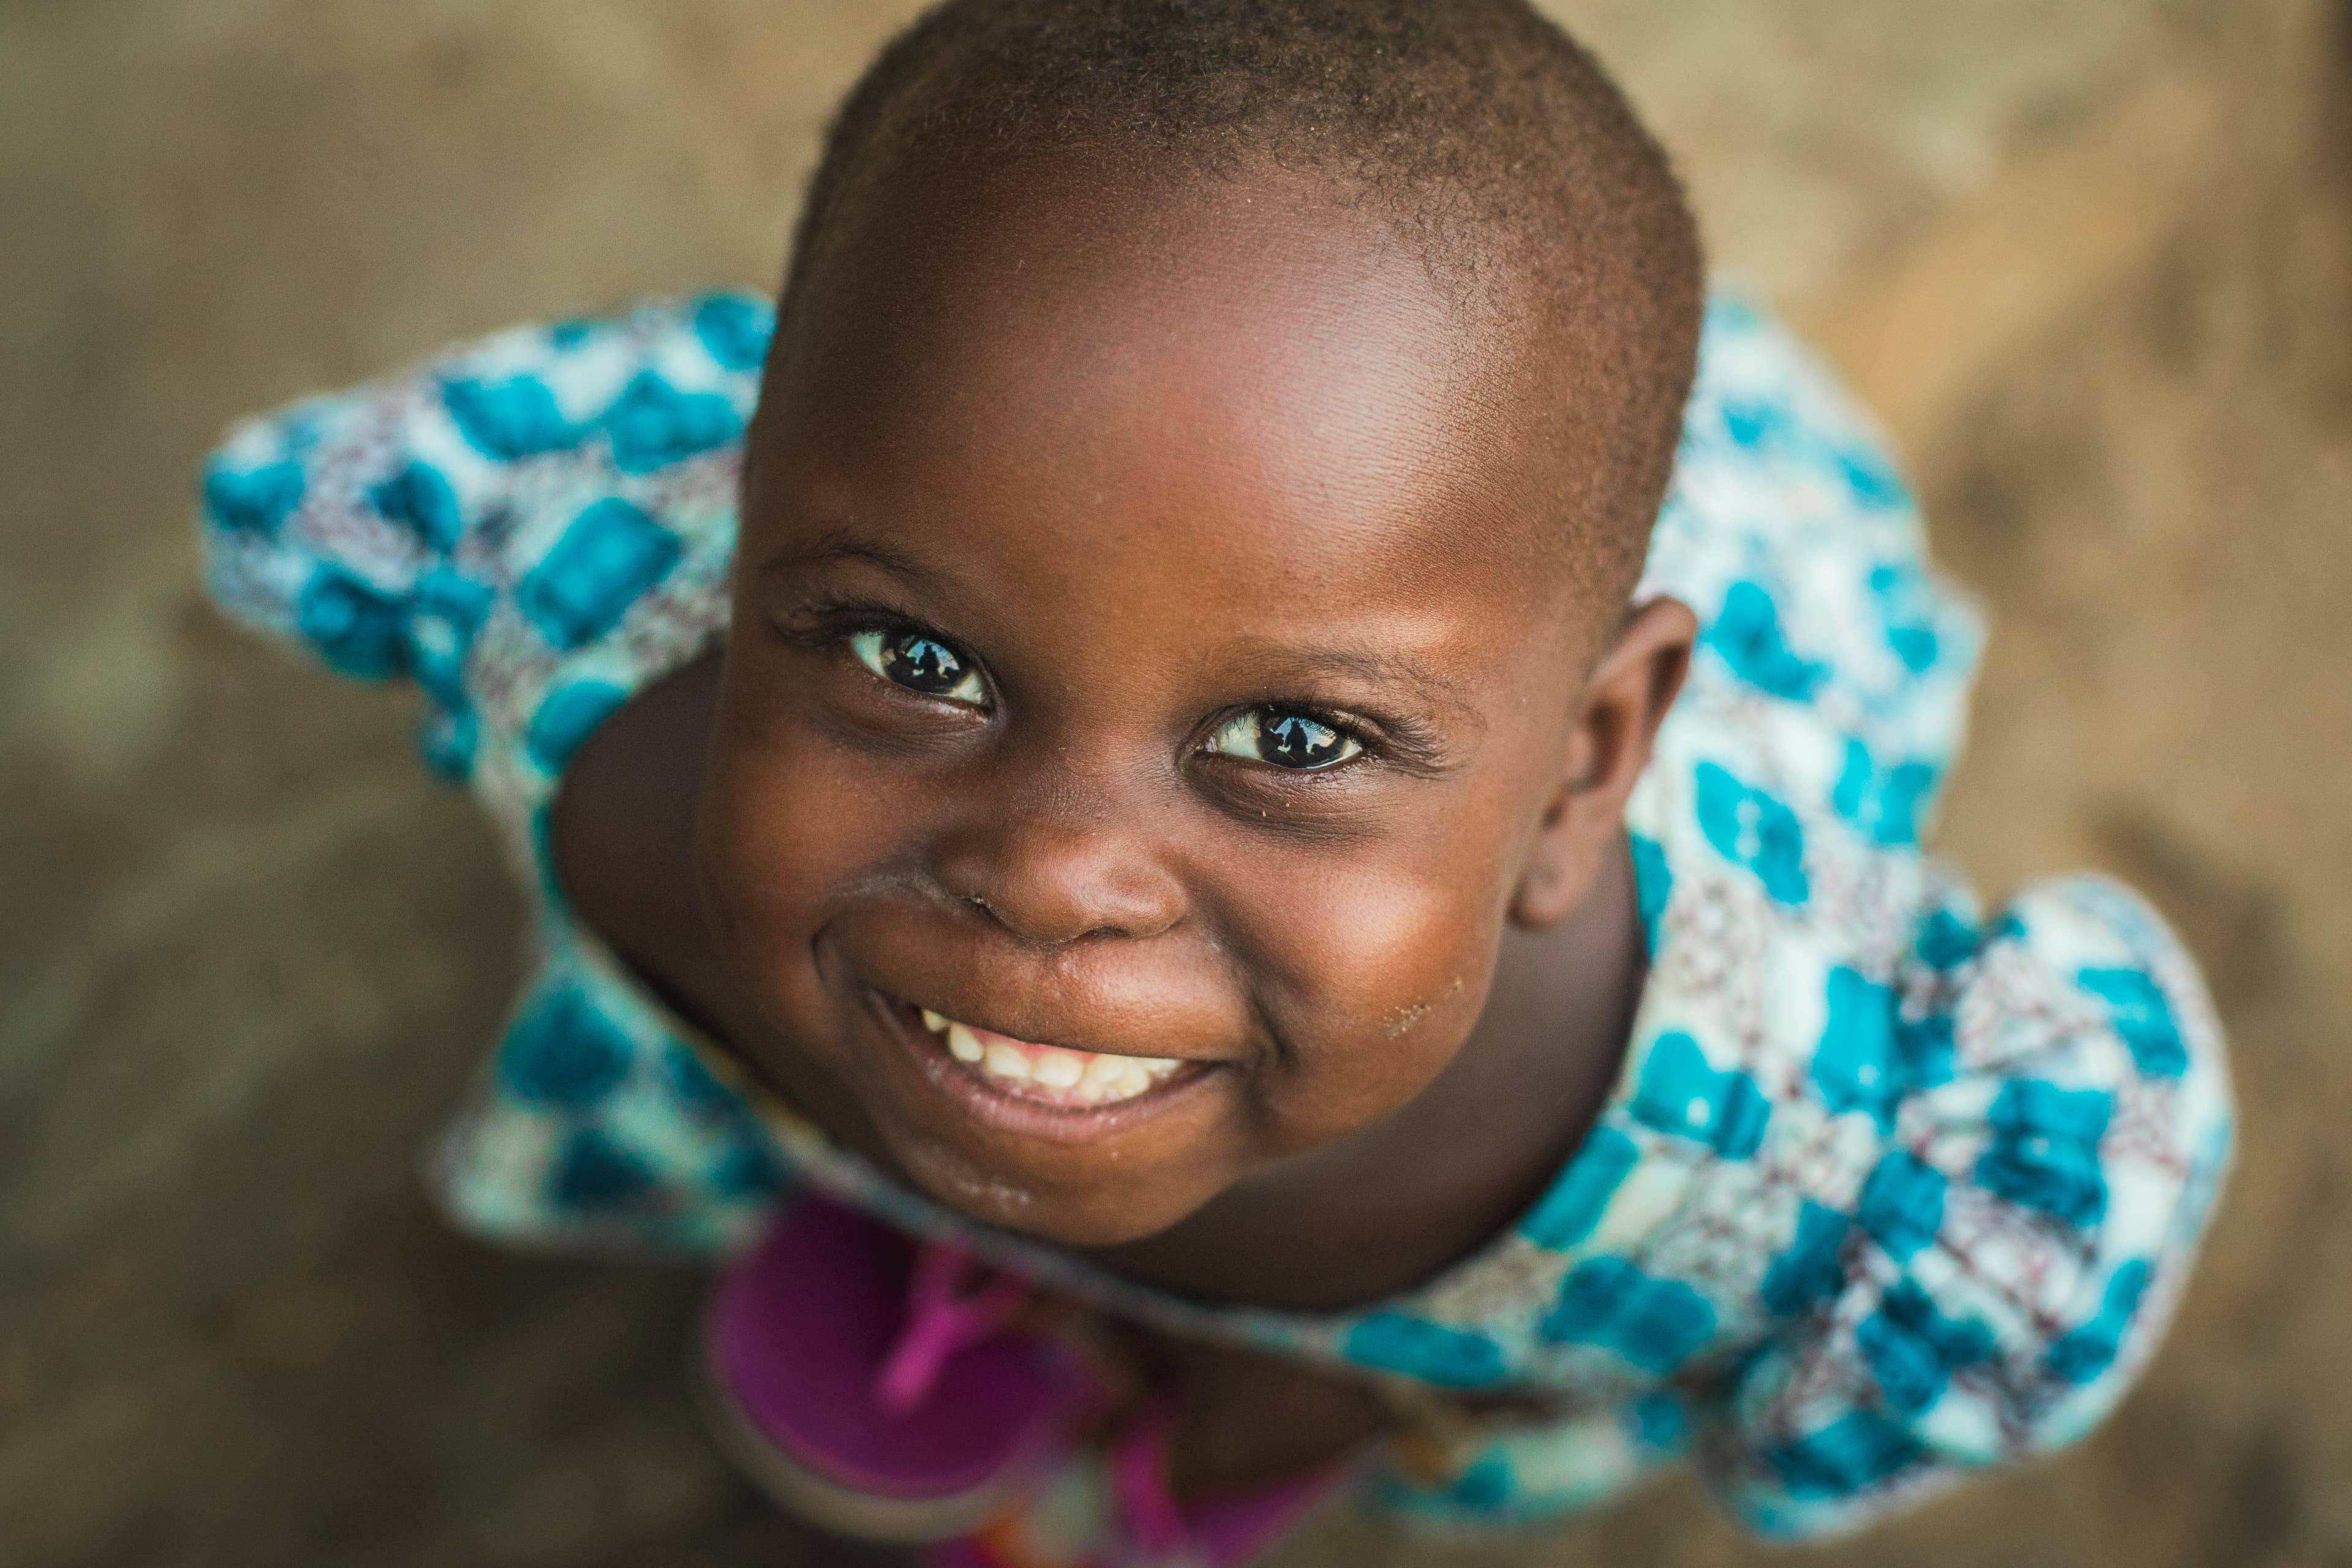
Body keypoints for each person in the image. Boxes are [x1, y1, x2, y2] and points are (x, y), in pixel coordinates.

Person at [197, 1, 2234, 1561]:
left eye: (1296, 741)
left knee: (1349, 1331)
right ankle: (967, 1221)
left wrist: (1333, 1372)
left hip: (1623, 596)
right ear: (741, 535)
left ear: (1583, 772)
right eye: (919, 661)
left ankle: (1281, 1376)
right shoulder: (576, 673)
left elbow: (1598, 1346)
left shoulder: (1765, 1180)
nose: (1056, 878)